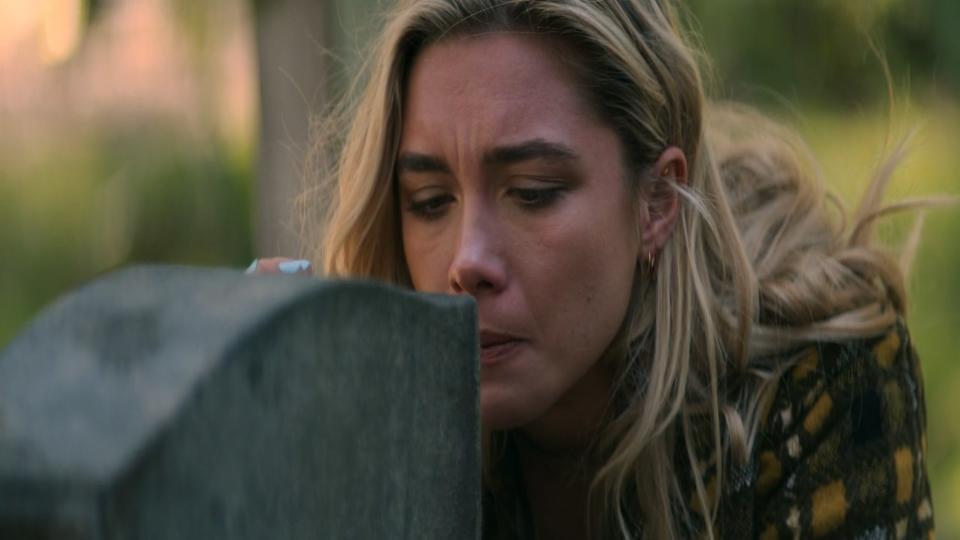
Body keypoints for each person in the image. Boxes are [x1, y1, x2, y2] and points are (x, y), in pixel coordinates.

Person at [253, 0, 937, 537]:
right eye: (430, 202)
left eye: (532, 193)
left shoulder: (815, 380)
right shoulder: (390, 407)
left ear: (657, 202)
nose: (466, 262)